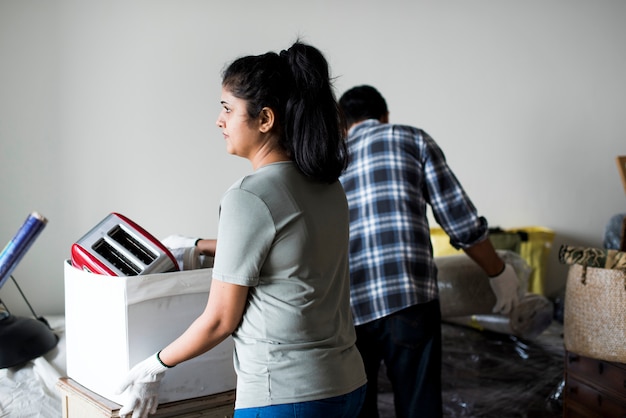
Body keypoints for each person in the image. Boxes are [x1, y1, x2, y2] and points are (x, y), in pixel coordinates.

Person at [117, 42, 367, 418]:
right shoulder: (328, 186)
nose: (219, 121)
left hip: (286, 394)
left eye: (228, 109)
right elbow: (289, 253)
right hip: (347, 385)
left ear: (265, 119)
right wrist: (200, 247)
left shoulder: (249, 196)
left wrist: (154, 366)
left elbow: (219, 320)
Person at [337, 85, 520, 418]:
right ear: (385, 116)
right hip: (410, 299)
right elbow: (459, 219)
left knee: (356, 409)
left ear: (342, 124)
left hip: (348, 310)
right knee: (419, 408)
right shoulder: (412, 138)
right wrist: (499, 272)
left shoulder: (331, 157)